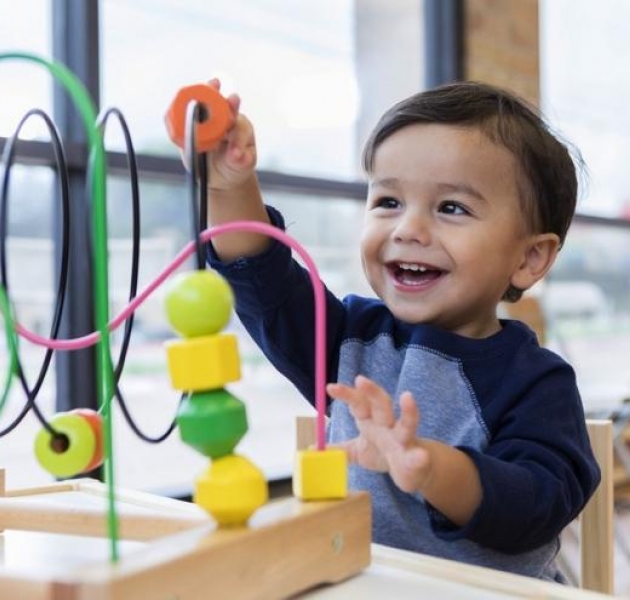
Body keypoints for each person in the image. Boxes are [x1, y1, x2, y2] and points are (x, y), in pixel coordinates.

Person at [196, 79, 600, 582]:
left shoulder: (537, 382)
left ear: (529, 258)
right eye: (388, 201)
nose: (408, 229)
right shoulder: (349, 338)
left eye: (452, 207)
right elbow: (263, 279)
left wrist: (430, 468)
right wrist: (229, 185)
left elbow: (538, 505)